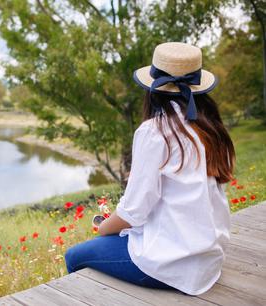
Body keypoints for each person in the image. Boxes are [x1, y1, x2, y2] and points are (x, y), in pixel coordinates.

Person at [64, 42, 235, 295]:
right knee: (113, 240)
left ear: (153, 89)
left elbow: (133, 212)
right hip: (208, 262)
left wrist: (102, 228)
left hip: (170, 265)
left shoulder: (155, 132)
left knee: (75, 255)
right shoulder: (209, 129)